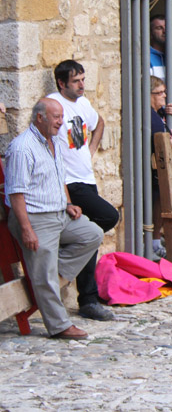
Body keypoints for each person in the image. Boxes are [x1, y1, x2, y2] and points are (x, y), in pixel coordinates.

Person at [4, 99, 105, 339]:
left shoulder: (56, 142)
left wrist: (68, 204)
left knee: (93, 234)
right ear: (40, 118)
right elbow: (16, 193)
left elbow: (60, 179)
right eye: (57, 117)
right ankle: (59, 326)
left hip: (59, 214)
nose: (61, 122)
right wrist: (26, 229)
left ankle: (47, 273)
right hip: (35, 218)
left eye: (61, 117)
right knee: (44, 272)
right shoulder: (22, 148)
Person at [46, 60, 118, 321]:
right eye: (76, 81)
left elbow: (99, 122)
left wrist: (91, 150)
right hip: (70, 182)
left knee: (90, 236)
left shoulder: (84, 104)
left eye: (83, 79)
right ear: (61, 83)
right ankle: (79, 284)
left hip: (86, 178)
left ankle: (88, 299)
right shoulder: (54, 104)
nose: (81, 85)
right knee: (109, 217)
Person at [148, 76, 172, 258]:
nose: (164, 96)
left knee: (160, 201)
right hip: (151, 170)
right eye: (159, 93)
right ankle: (151, 243)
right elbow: (161, 143)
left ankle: (154, 241)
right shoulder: (150, 116)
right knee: (156, 202)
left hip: (158, 169)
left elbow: (169, 133)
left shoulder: (158, 113)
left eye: (164, 92)